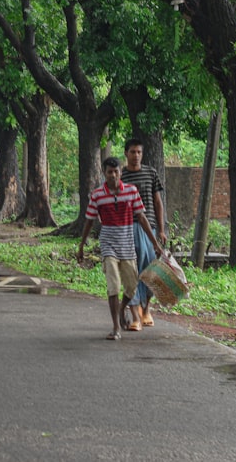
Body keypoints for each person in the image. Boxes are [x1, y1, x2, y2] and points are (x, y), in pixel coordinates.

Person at [76, 157, 160, 341]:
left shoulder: (131, 192)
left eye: (116, 172)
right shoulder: (97, 195)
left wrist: (155, 242)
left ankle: (122, 309)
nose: (113, 175)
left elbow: (142, 218)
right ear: (104, 174)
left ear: (120, 173)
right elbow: (89, 221)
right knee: (113, 285)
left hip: (127, 244)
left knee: (131, 286)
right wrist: (82, 245)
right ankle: (115, 327)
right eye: (109, 172)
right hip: (108, 245)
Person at [121, 138, 168, 329]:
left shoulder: (150, 173)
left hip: (149, 229)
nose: (136, 156)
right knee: (132, 270)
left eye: (139, 152)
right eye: (132, 152)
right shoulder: (121, 175)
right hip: (127, 227)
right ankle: (134, 311)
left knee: (150, 271)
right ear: (126, 153)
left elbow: (158, 202)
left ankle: (146, 308)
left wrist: (161, 229)